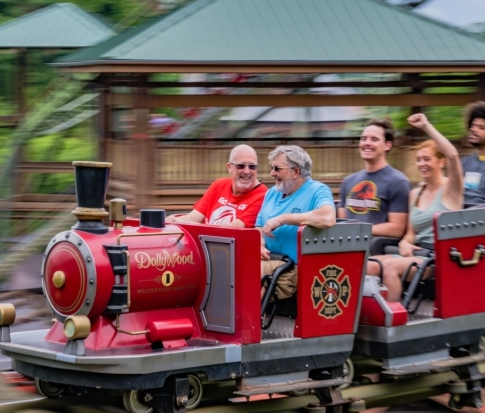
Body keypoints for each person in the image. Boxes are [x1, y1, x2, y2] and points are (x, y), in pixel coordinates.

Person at [366, 113, 464, 302]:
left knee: (389, 267)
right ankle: (367, 317)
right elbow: (411, 233)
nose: (421, 164)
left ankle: (393, 318)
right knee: (368, 265)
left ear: (440, 162)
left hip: (438, 258)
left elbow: (453, 155)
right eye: (418, 160)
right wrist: (404, 242)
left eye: (427, 159)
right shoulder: (415, 193)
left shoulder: (451, 190)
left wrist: (426, 126)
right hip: (417, 254)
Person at [256, 145, 336, 299]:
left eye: (277, 168)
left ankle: (248, 322)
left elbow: (328, 217)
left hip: (293, 267)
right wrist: (258, 245)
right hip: (269, 261)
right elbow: (258, 228)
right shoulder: (272, 193)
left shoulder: (318, 190)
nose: (272, 173)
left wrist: (284, 218)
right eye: (272, 168)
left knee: (249, 271)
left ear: (296, 172)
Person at [338, 117, 410, 238]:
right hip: (345, 247)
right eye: (364, 138)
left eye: (374, 139)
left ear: (387, 145)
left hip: (378, 251)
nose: (367, 143)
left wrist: (358, 230)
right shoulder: (348, 181)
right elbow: (341, 222)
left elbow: (397, 228)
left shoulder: (398, 182)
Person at [168, 144, 266, 227]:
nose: (247, 171)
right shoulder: (219, 185)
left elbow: (231, 230)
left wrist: (182, 223)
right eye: (241, 166)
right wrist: (170, 221)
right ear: (229, 167)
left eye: (252, 166)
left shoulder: (262, 195)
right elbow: (192, 218)